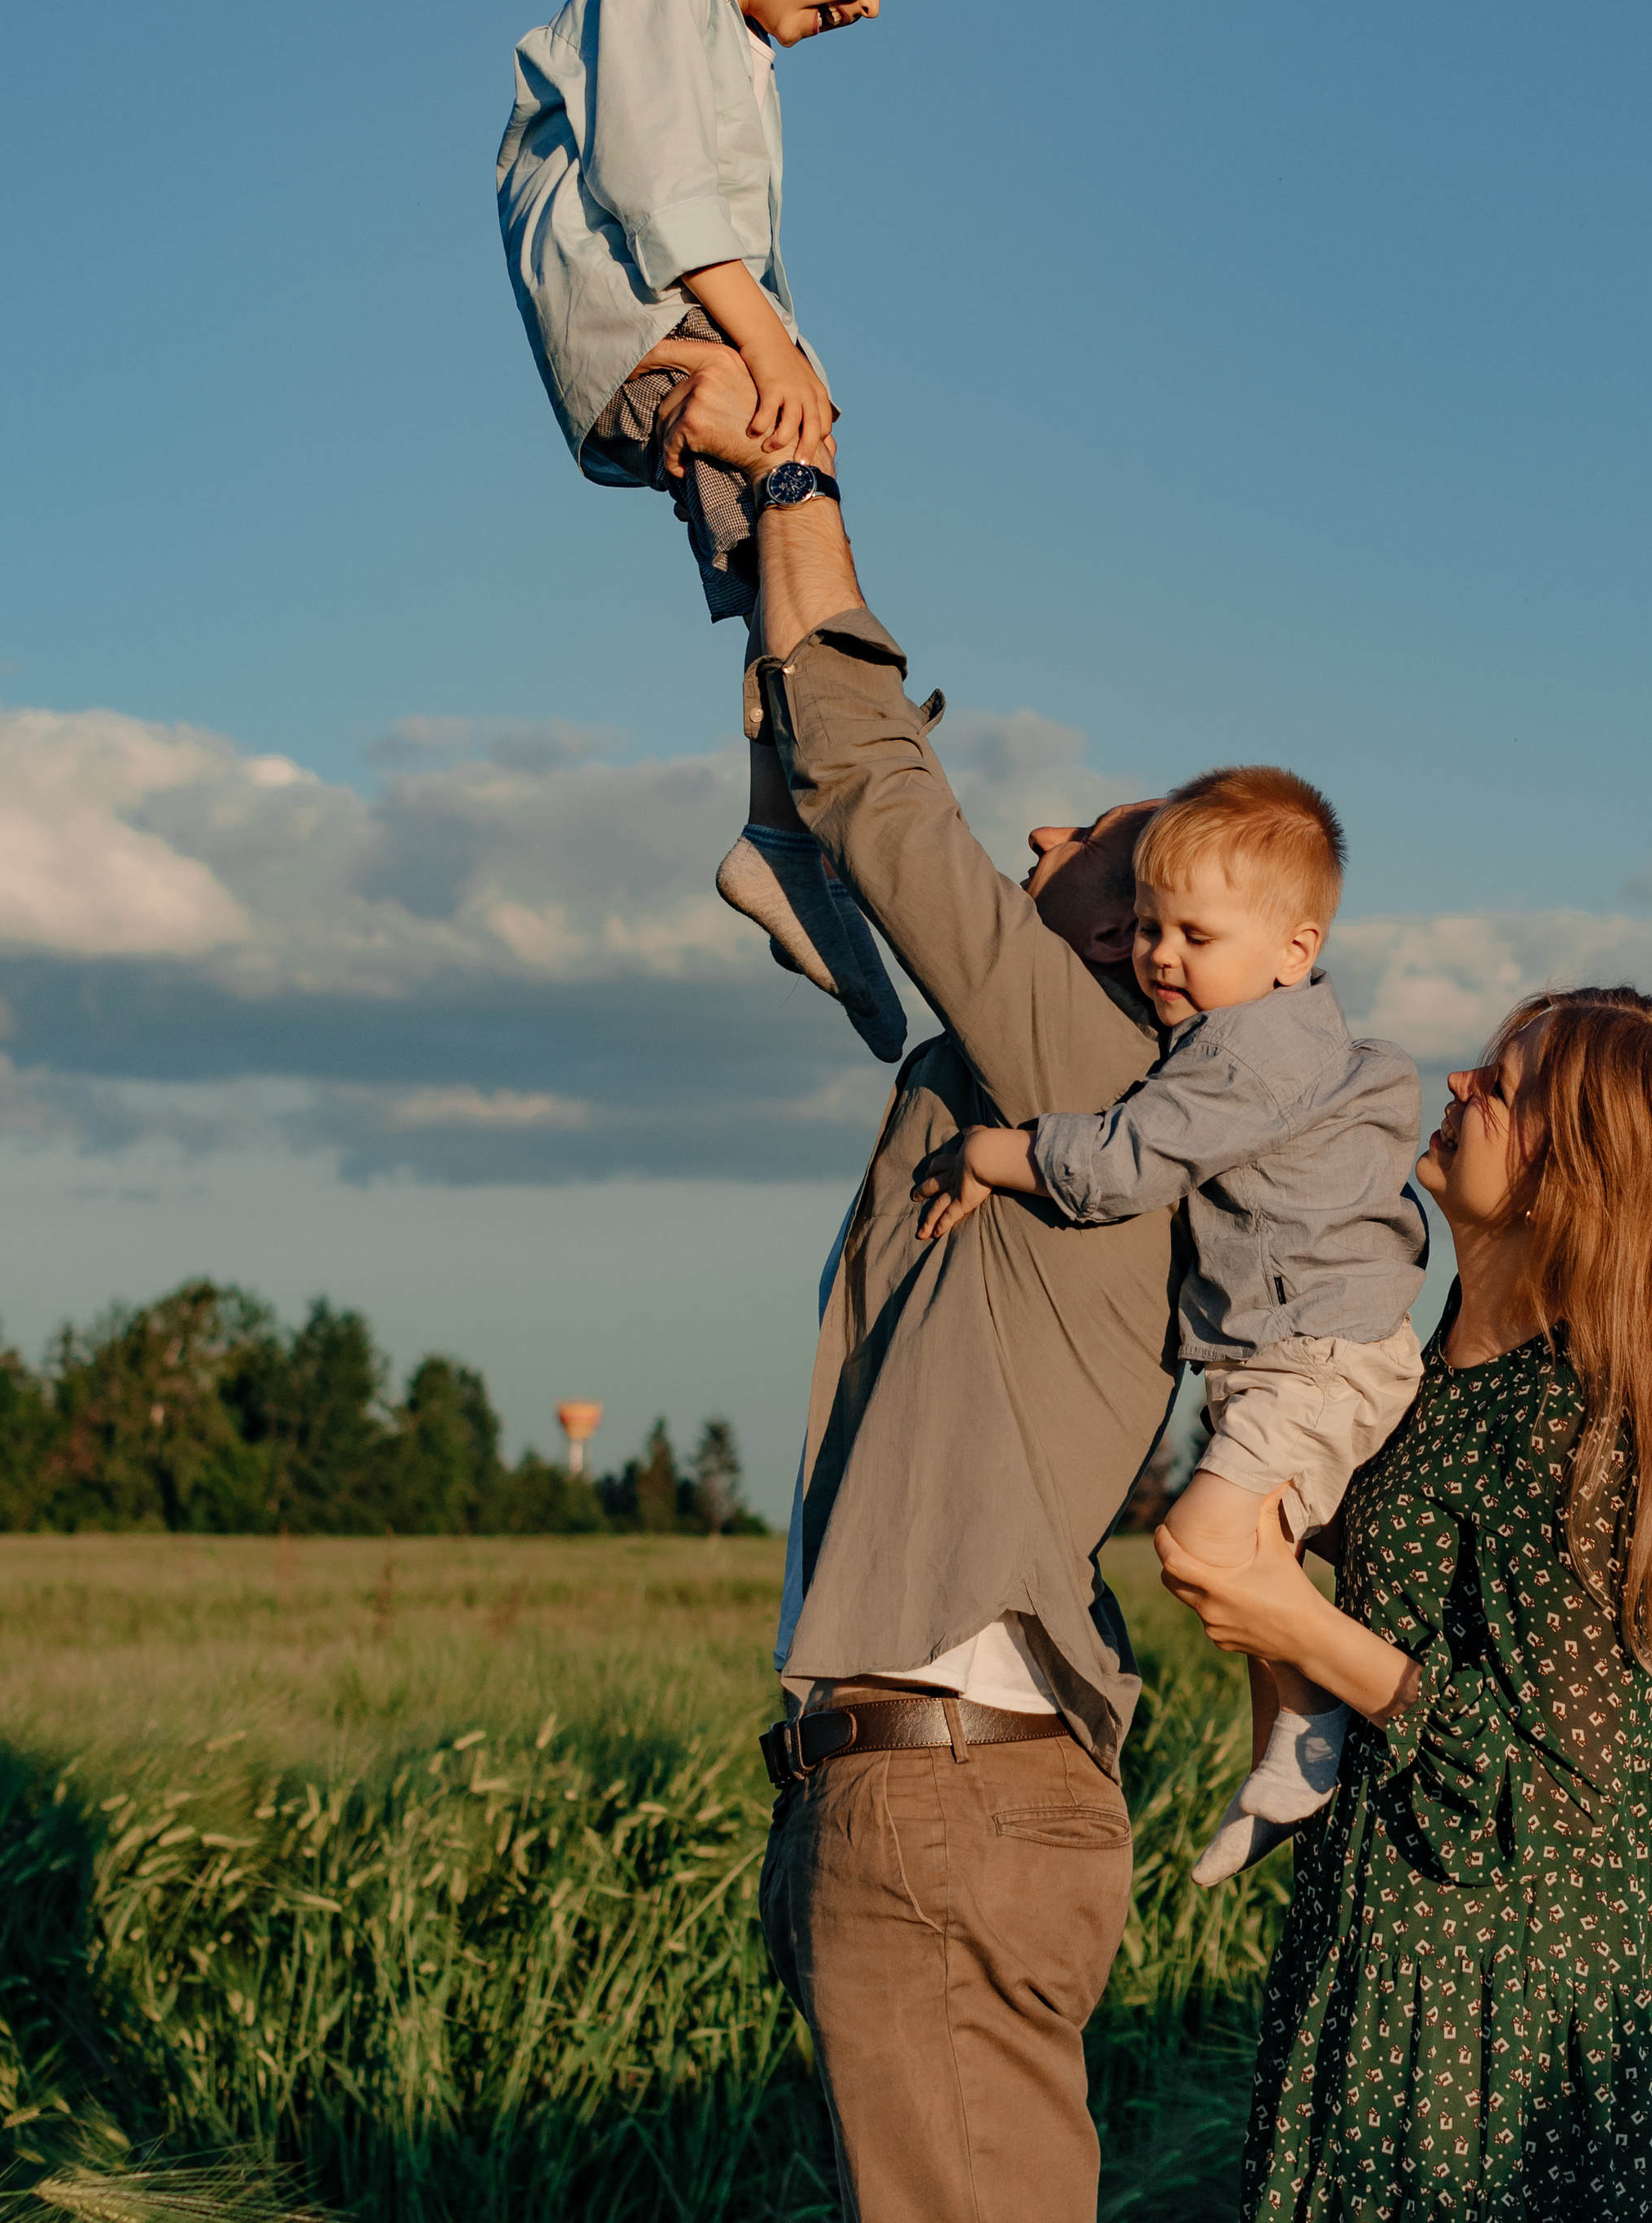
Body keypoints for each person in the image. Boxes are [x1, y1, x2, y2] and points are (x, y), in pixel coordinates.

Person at [643, 344, 1182, 2223]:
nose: (1037, 835)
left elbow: (882, 791)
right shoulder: (1005, 1098)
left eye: (1086, 839)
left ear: (1132, 941)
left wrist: (795, 482)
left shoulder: (1092, 1068)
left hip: (949, 1793)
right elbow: (825, 793)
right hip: (907, 1792)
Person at [1157, 987, 1652, 2220]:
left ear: (1569, 1181)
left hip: (1505, 2039)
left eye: (1500, 1087)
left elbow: (1545, 1797)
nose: (1456, 1088)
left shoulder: (1569, 1429)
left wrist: (1290, 1620)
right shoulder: (1414, 1373)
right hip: (1396, 1959)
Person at [494, 0, 953, 1060]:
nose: (870, 3)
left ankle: (783, 826)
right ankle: (826, 769)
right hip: (641, 333)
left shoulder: (731, 37)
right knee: (782, 438)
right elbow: (656, 190)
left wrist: (791, 349)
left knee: (787, 521)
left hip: (686, 330)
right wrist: (768, 343)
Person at [915, 763, 1429, 1888]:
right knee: (1258, 1553)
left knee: (1200, 1549)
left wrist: (996, 1155)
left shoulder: (1251, 1052)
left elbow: (1125, 1166)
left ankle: (1372, 1703)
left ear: (1295, 949)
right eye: (1148, 927)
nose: (1160, 955)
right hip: (1284, 1352)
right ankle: (1290, 1753)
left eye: (1196, 934)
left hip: (1316, 1358)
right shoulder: (1241, 1035)